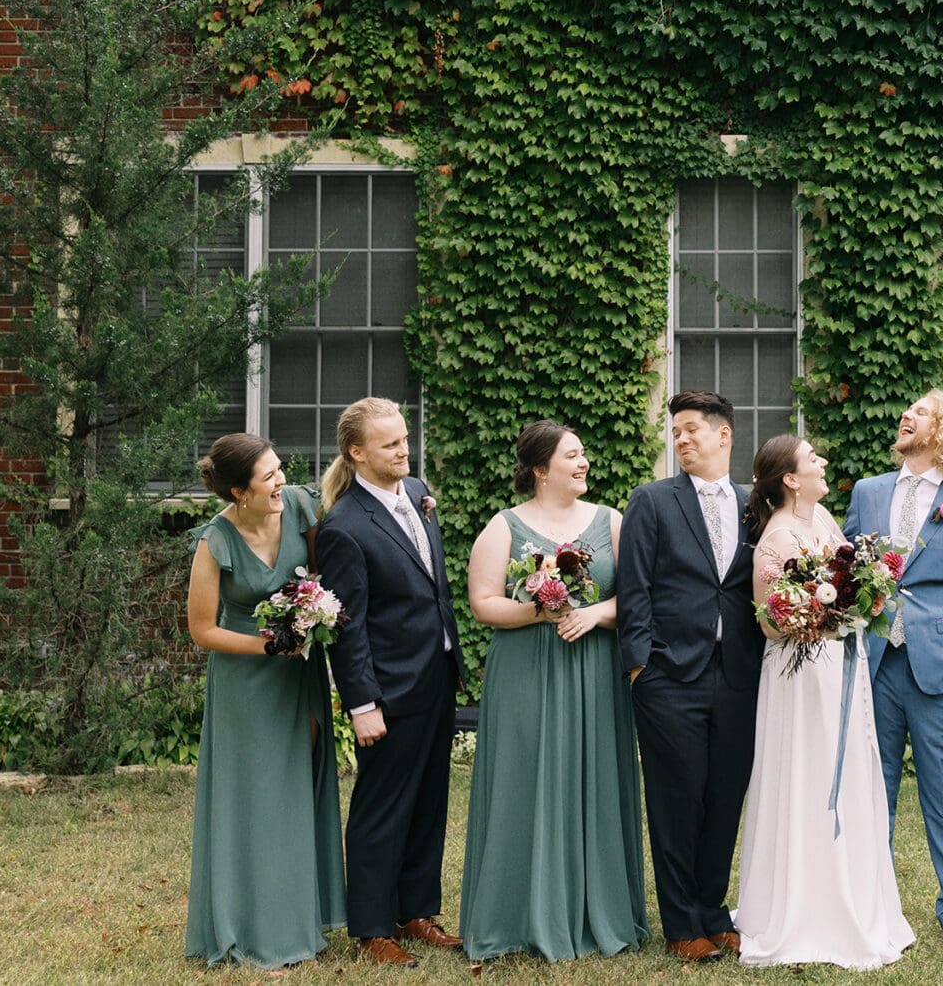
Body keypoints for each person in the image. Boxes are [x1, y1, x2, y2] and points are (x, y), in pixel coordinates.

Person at [456, 422, 648, 961]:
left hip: (594, 669)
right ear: (541, 470)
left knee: (595, 779)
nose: (584, 463)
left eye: (584, 454)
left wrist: (592, 613)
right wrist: (539, 611)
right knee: (525, 778)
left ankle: (599, 910)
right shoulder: (504, 527)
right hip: (526, 670)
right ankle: (517, 913)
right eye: (572, 456)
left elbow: (637, 597)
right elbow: (483, 603)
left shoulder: (612, 522)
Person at [732, 434, 916, 970]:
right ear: (791, 478)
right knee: (806, 775)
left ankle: (854, 896)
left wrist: (866, 598)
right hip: (801, 676)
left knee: (849, 776)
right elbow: (769, 620)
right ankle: (801, 906)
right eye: (813, 459)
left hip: (840, 668)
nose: (824, 463)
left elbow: (852, 582)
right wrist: (812, 618)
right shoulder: (777, 538)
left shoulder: (825, 520)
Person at [311, 396, 470, 969]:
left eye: (405, 439)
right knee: (382, 809)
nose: (405, 451)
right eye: (391, 444)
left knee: (430, 801)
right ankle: (373, 928)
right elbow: (348, 629)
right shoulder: (345, 528)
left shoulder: (417, 491)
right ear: (356, 453)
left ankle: (417, 912)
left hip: (435, 675)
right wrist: (362, 703)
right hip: (389, 690)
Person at [842, 390, 943, 950]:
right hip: (876, 662)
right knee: (872, 788)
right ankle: (871, 904)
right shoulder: (868, 492)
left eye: (921, 411)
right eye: (906, 410)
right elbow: (847, 571)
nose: (906, 415)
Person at [184, 434, 346, 970]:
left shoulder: (301, 505)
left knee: (297, 784)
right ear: (239, 490)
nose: (281, 482)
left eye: (280, 469)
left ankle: (300, 917)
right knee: (254, 798)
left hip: (297, 679)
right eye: (268, 476)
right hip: (245, 682)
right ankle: (250, 927)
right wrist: (270, 644)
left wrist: (419, 496)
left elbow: (349, 516)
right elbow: (201, 630)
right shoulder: (216, 541)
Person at [615, 390, 760, 962]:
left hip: (740, 676)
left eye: (692, 429)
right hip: (668, 675)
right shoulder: (651, 500)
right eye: (675, 432)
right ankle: (681, 924)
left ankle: (712, 909)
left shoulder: (757, 504)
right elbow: (636, 589)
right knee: (677, 799)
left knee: (725, 796)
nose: (681, 440)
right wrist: (639, 667)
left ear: (724, 435)